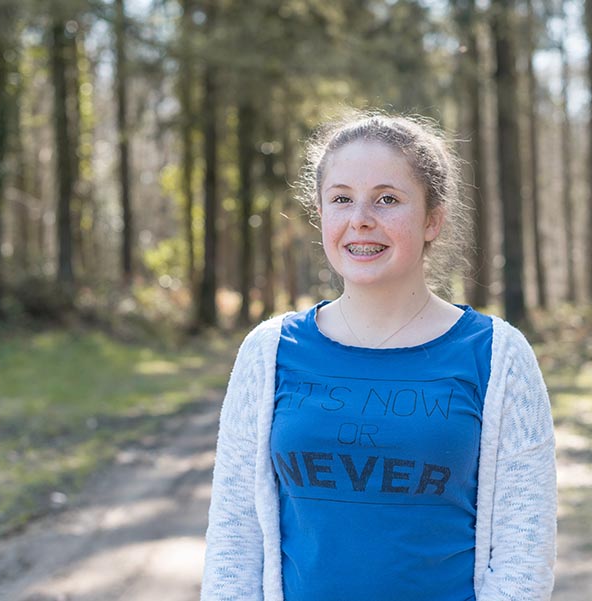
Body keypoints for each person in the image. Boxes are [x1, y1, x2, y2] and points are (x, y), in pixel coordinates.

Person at [200, 111, 557, 601]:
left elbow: (524, 553)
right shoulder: (270, 351)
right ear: (321, 214)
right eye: (341, 199)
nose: (360, 219)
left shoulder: (498, 355)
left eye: (387, 200)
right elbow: (234, 538)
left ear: (433, 219)